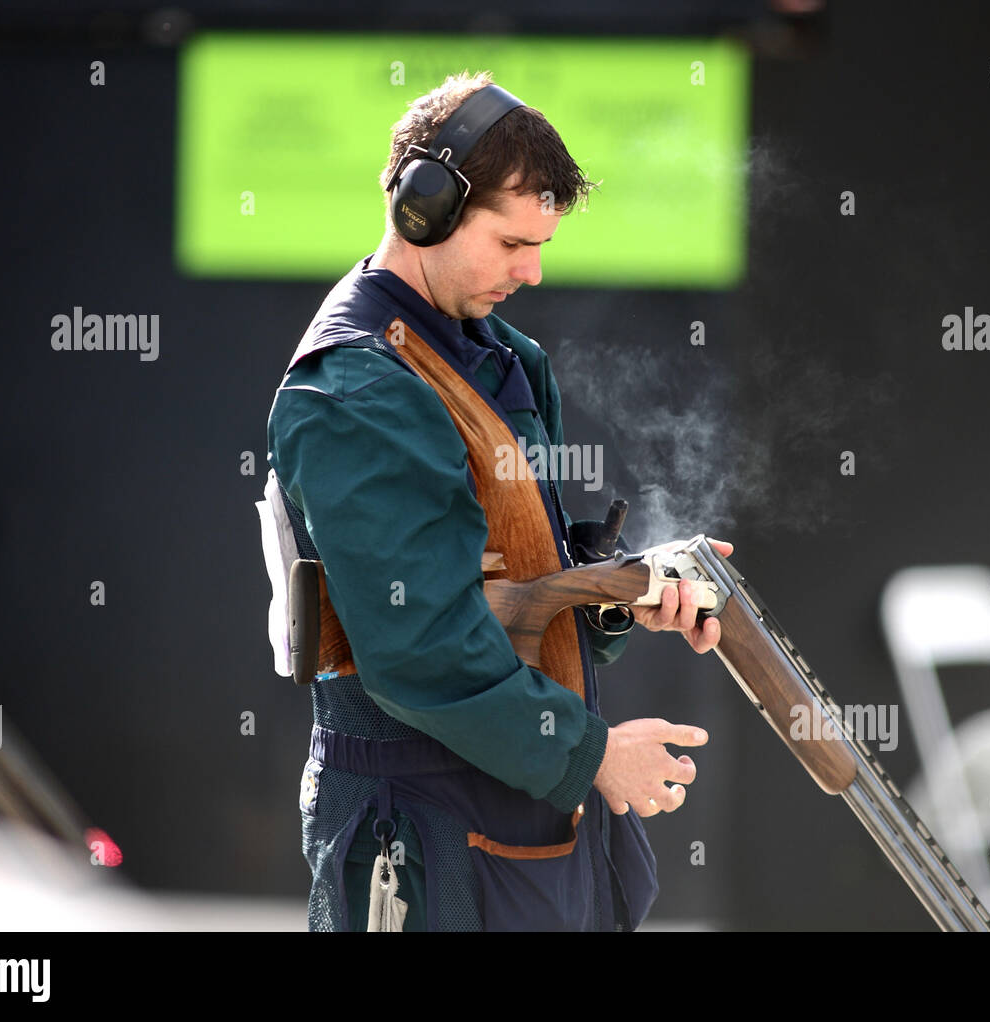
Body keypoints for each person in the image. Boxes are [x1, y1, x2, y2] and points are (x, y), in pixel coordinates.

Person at [265, 70, 730, 931]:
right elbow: (419, 647)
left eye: (542, 245)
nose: (536, 271)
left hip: (526, 822)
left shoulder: (499, 355)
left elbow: (512, 588)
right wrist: (591, 754)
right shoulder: (357, 388)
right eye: (513, 244)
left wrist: (625, 596)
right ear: (424, 209)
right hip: (424, 834)